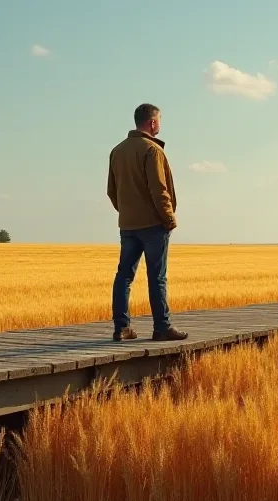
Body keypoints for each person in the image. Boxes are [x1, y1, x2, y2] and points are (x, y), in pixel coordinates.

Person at [107, 103, 188, 342]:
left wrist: (127, 212)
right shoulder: (152, 150)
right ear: (152, 123)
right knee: (157, 277)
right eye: (159, 120)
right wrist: (169, 219)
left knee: (124, 276)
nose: (160, 124)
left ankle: (122, 328)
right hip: (153, 225)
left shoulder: (117, 151)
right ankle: (161, 327)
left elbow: (112, 190)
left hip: (128, 225)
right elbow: (159, 190)